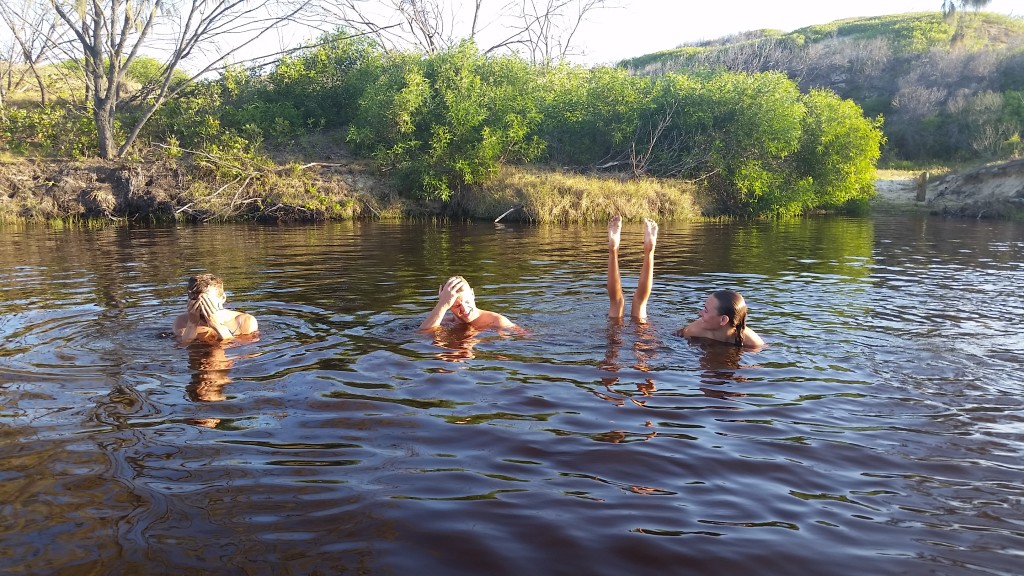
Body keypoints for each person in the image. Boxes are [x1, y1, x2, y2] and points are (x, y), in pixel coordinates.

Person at [173, 273, 258, 344]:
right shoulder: (182, 321)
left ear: (222, 298)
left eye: (207, 302)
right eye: (196, 302)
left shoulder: (245, 321)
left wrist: (216, 324)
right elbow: (182, 348)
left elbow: (240, 350)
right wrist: (192, 324)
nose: (202, 307)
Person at [607, 215, 658, 321]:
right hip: (641, 331)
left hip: (613, 328)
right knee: (640, 302)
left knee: (616, 302)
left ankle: (613, 249)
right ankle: (649, 251)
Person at [420, 275, 516, 331]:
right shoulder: (443, 322)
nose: (464, 309)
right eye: (457, 305)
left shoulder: (497, 322)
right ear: (448, 306)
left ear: (472, 294)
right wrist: (442, 304)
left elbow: (525, 338)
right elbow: (423, 335)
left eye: (467, 301)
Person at [680, 289, 764, 348]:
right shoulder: (694, 330)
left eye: (706, 311)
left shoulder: (753, 343)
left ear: (723, 320)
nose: (700, 313)